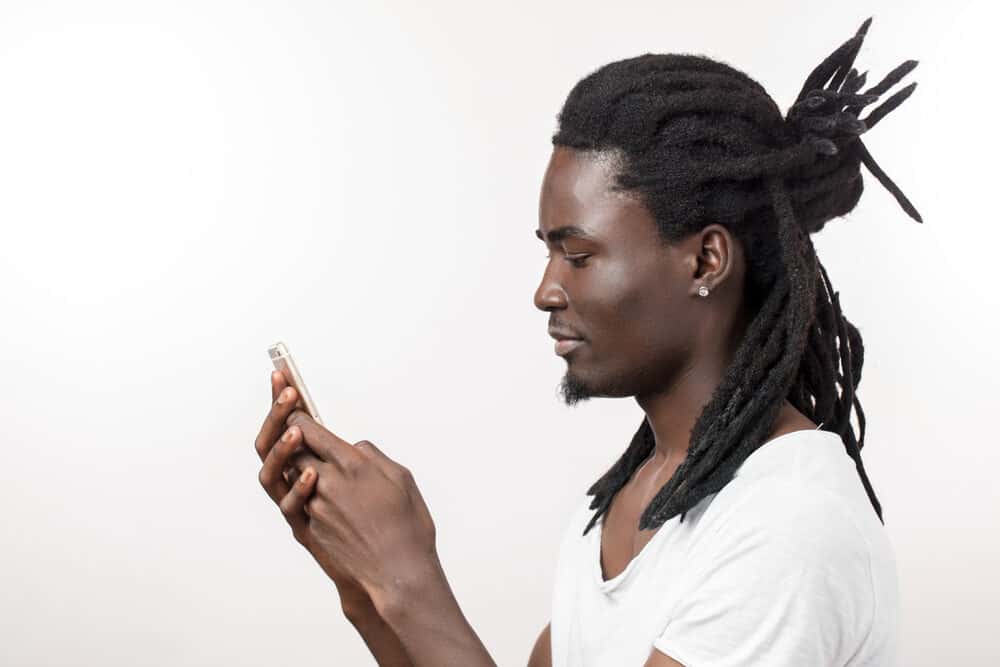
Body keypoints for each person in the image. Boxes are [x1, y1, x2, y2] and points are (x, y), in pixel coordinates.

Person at [254, 15, 919, 666]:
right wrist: (365, 584)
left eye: (578, 255)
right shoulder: (610, 508)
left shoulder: (787, 522)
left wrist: (409, 584)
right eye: (548, 253)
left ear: (705, 261)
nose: (545, 289)